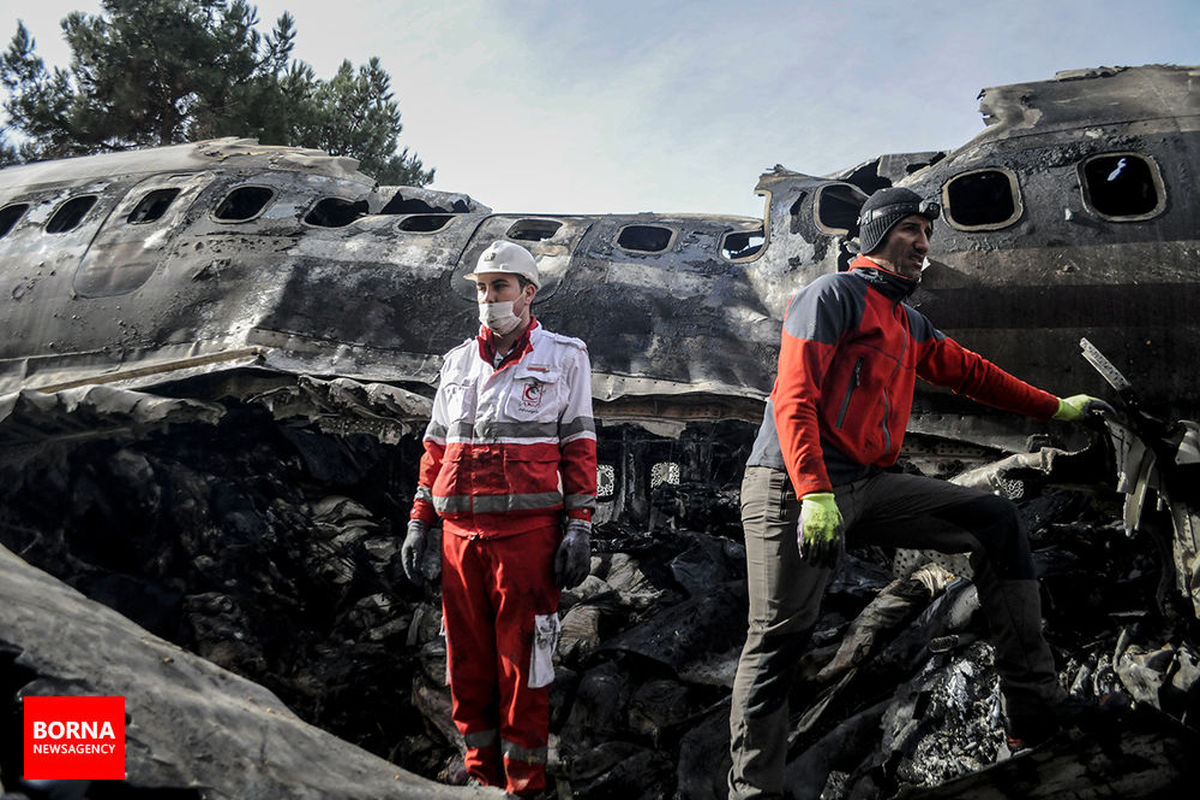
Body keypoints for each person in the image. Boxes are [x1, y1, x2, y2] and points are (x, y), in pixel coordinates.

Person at [727, 187, 1112, 799]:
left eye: (927, 233)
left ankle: (1036, 719)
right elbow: (792, 396)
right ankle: (753, 791)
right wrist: (815, 493)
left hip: (867, 482)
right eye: (911, 228)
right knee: (777, 639)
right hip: (791, 486)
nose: (924, 244)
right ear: (877, 233)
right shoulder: (831, 297)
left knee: (994, 521)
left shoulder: (909, 323)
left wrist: (1060, 407)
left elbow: (975, 375)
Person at [401, 240, 597, 797]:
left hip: (527, 543)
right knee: (467, 667)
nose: (488, 299)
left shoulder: (564, 357)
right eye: (482, 289)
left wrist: (580, 524)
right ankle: (482, 776)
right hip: (460, 539)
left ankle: (524, 784)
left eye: (500, 287)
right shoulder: (457, 363)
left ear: (528, 293)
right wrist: (420, 521)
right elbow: (435, 447)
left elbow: (580, 445)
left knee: (524, 670)